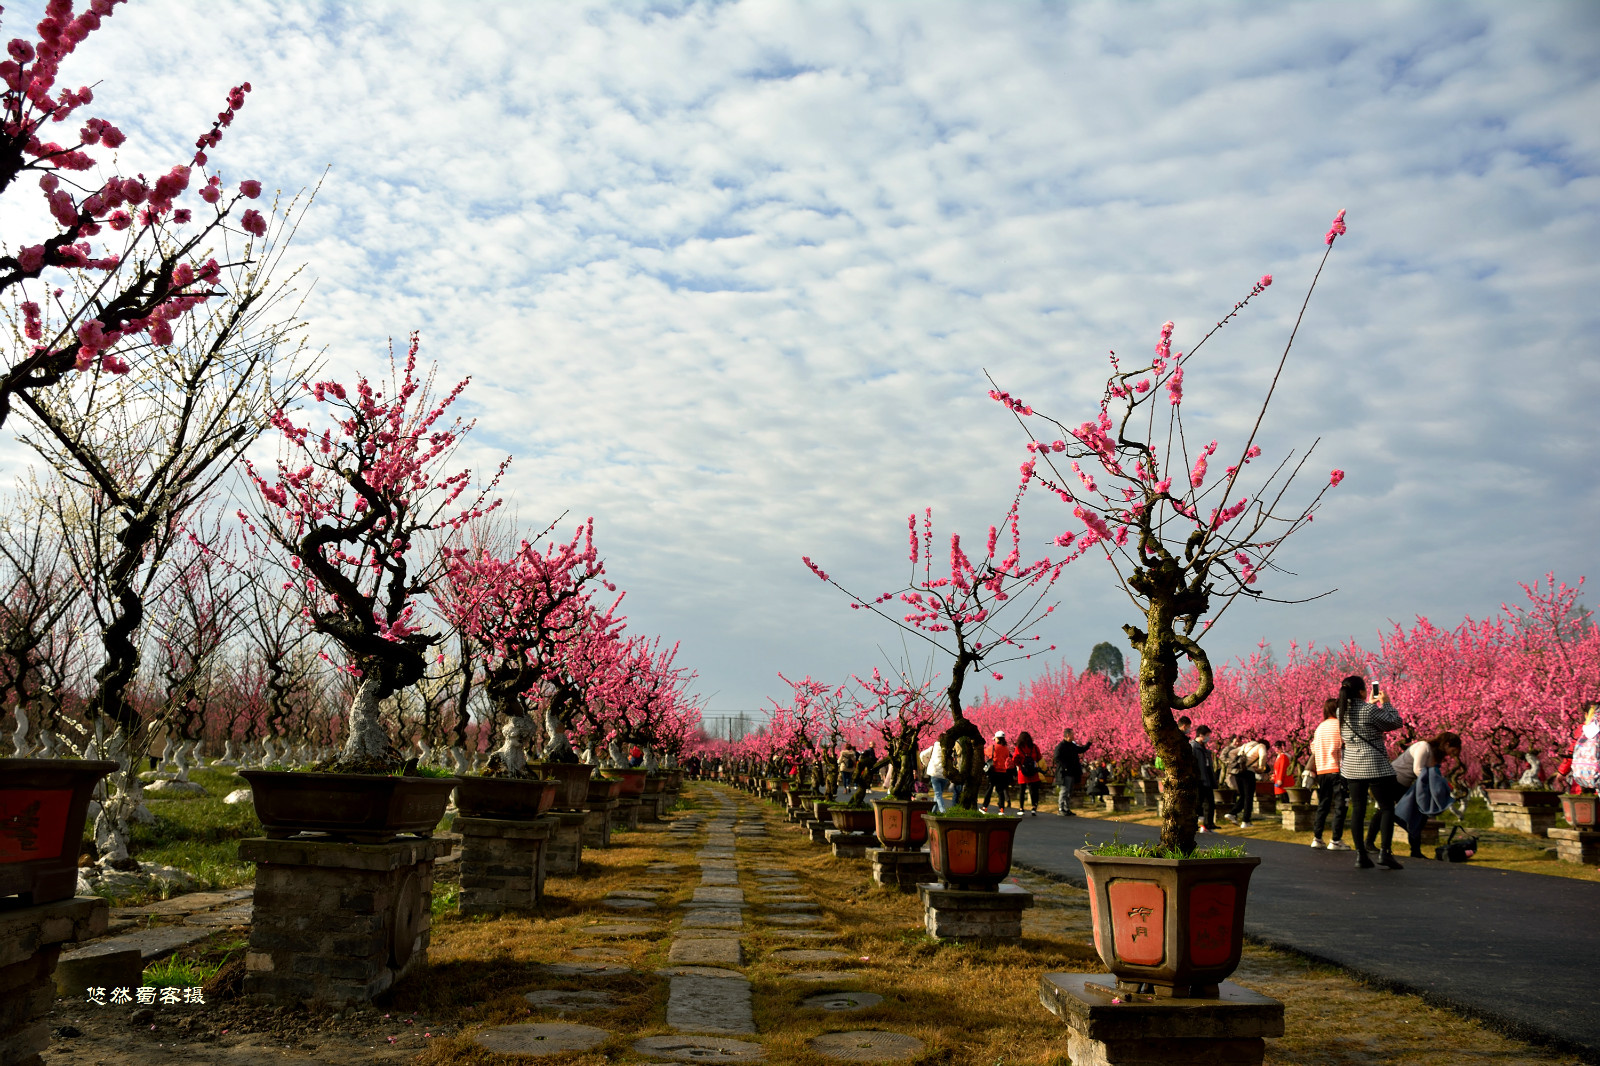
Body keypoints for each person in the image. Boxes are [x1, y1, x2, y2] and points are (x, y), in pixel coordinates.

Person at [1338, 675, 1405, 870]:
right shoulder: (1369, 710)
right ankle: (1385, 853)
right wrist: (1387, 703)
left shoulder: (1340, 709)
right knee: (1386, 808)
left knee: (1358, 809)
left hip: (1351, 767)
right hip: (1374, 765)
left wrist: (1370, 705)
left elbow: (1361, 718)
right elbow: (1395, 722)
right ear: (1361, 691)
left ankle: (1361, 855)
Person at [1392, 731, 1462, 857]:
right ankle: (1371, 843)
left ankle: (1415, 850)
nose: (1451, 755)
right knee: (1387, 813)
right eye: (1452, 750)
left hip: (1408, 785)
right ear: (1446, 744)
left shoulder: (1434, 755)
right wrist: (1434, 785)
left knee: (1419, 815)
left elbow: (1430, 773)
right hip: (1395, 781)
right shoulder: (1423, 747)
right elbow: (1417, 769)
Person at [1309, 698, 1351, 851]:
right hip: (1337, 769)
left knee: (1323, 805)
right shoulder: (1340, 725)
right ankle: (1336, 839)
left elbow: (1313, 748)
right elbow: (1347, 744)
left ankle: (1317, 838)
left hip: (1322, 770)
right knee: (1341, 805)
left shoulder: (1320, 727)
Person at [1225, 737, 1268, 828]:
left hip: (1238, 772)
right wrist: (1260, 767)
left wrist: (1236, 761)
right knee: (1249, 797)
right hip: (1248, 772)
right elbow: (1263, 755)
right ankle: (1246, 821)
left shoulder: (1245, 745)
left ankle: (1232, 813)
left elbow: (1231, 752)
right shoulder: (1261, 746)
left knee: (1243, 795)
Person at [1053, 726, 1092, 816]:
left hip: (1072, 772)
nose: (1074, 736)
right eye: (1072, 734)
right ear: (1068, 735)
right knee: (1064, 790)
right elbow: (1056, 757)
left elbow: (1081, 750)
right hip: (1064, 773)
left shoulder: (1072, 745)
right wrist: (1065, 766)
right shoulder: (1061, 746)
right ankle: (1061, 808)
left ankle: (1067, 808)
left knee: (1069, 791)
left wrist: (1089, 743)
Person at [1192, 725, 1218, 832]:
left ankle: (1208, 825)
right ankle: (1193, 825)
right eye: (1207, 736)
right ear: (1201, 735)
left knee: (1210, 803)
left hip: (1207, 780)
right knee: (1197, 804)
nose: (1208, 738)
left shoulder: (1204, 749)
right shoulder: (1193, 747)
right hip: (1198, 780)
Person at [981, 730, 1014, 812]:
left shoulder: (992, 747)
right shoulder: (1006, 749)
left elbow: (984, 752)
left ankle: (985, 807)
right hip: (1003, 772)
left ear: (997, 739)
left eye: (995, 739)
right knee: (1000, 791)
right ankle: (1001, 808)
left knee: (989, 789)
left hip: (993, 771)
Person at [1013, 730, 1044, 815]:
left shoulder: (1019, 747)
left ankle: (1021, 808)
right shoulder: (1034, 747)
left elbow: (1015, 758)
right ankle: (1034, 807)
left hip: (1022, 771)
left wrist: (1020, 765)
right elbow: (1039, 757)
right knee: (1033, 790)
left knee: (1022, 790)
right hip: (1033, 771)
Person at [920, 739, 951, 812]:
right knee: (938, 794)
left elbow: (922, 755)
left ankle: (943, 811)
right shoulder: (949, 749)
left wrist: (926, 763)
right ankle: (933, 811)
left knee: (937, 794)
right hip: (944, 774)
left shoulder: (933, 748)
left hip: (935, 773)